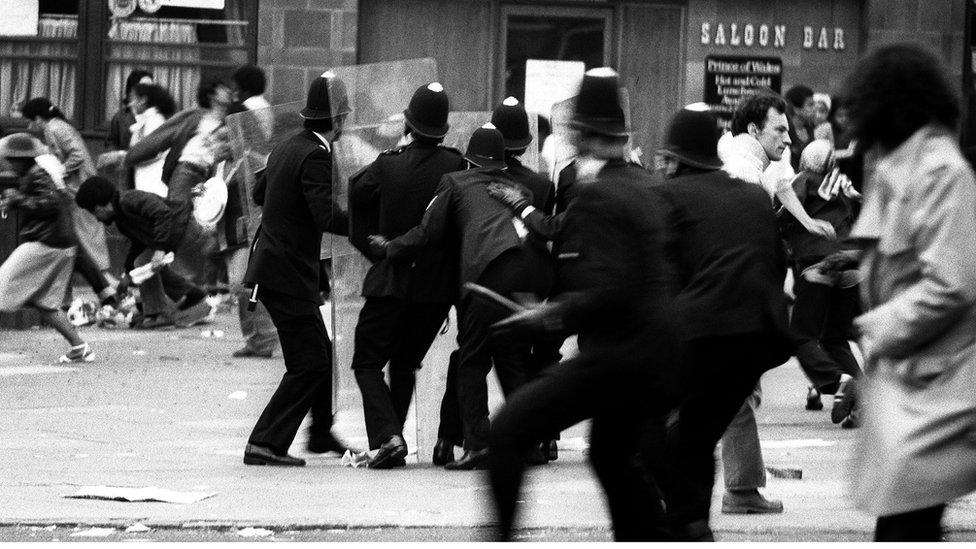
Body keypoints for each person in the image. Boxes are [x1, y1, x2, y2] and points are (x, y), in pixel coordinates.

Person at [486, 68, 678, 541]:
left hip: (621, 355)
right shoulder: (651, 186)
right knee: (611, 456)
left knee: (509, 429)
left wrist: (550, 315)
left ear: (582, 135)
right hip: (663, 355)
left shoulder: (599, 196)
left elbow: (612, 291)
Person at [843, 42, 976, 542]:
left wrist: (877, 328)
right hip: (910, 384)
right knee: (902, 524)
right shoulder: (896, 167)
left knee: (904, 527)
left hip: (937, 389)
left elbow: (952, 283)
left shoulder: (940, 171)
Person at [372, 123, 554, 471]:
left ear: (468, 160)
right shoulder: (519, 189)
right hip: (534, 275)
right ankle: (528, 444)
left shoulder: (455, 183)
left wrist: (391, 247)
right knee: (511, 356)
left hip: (489, 273)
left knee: (472, 360)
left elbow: (428, 232)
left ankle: (478, 445)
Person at [651, 105, 793, 538]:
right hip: (754, 339)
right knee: (695, 438)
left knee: (659, 438)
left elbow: (658, 276)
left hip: (697, 334)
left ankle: (684, 519)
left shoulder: (668, 198)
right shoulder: (752, 192)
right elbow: (776, 261)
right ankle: (696, 520)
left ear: (675, 157)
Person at [715, 92, 825, 515]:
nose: (788, 139)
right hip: (735, 296)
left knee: (732, 391)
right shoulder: (741, 171)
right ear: (753, 130)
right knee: (734, 391)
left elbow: (782, 184)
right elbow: (743, 238)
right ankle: (740, 489)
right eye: (779, 130)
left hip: (741, 295)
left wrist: (806, 221)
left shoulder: (762, 161)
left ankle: (735, 484)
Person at [347, 82, 466, 469]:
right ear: (443, 128)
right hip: (435, 291)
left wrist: (373, 249)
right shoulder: (457, 165)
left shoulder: (388, 163)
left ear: (409, 123)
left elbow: (355, 193)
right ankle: (392, 442)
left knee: (366, 361)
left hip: (392, 280)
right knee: (404, 363)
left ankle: (388, 437)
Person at [241, 72, 352, 467]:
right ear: (338, 121)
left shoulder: (289, 146)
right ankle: (264, 443)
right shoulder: (317, 155)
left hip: (278, 268)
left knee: (320, 352)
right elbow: (325, 214)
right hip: (285, 272)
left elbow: (258, 193)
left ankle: (320, 433)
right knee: (310, 362)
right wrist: (368, 224)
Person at [488, 96, 560, 463]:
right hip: (536, 279)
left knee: (506, 355)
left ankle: (524, 433)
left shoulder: (479, 179)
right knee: (540, 354)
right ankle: (546, 435)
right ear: (529, 143)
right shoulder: (542, 185)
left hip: (496, 278)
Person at [782, 139, 863, 428]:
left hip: (819, 262)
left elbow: (784, 209)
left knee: (801, 336)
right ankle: (863, 395)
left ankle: (837, 383)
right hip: (850, 263)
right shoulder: (842, 181)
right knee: (835, 339)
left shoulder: (803, 180)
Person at [0, 133, 94, 363]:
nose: (7, 163)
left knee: (2, 284)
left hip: (46, 243)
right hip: (62, 245)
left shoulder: (38, 175)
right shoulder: (35, 174)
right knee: (46, 303)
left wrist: (17, 200)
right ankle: (80, 347)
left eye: (10, 159)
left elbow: (48, 205)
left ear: (20, 159)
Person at [74, 176, 211, 329]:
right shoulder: (121, 219)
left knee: (144, 263)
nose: (98, 219)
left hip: (181, 226)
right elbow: (138, 245)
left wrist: (159, 249)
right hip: (170, 234)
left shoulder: (129, 200)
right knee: (148, 266)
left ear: (100, 207)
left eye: (94, 214)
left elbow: (163, 213)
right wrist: (127, 275)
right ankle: (192, 295)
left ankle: (158, 314)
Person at [21, 97, 111, 274]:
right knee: (87, 232)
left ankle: (105, 276)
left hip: (82, 188)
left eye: (30, 121)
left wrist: (60, 170)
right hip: (80, 188)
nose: (29, 127)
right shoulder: (58, 126)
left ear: (39, 118)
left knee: (89, 232)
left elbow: (78, 155)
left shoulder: (54, 128)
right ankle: (102, 276)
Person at [224, 64, 278, 360]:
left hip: (249, 208)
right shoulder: (264, 111)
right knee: (248, 275)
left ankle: (262, 339)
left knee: (244, 277)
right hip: (254, 205)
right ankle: (262, 337)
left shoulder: (243, 116)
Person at [128, 83, 178, 196]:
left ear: (143, 100)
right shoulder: (147, 120)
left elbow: (151, 151)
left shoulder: (154, 121)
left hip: (153, 182)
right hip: (148, 179)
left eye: (133, 99)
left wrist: (125, 157)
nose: (131, 103)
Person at [105, 69, 153, 151]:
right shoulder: (120, 117)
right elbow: (111, 145)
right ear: (132, 90)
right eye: (144, 87)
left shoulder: (156, 115)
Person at [784, 84, 816, 171]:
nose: (815, 109)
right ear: (796, 109)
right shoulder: (785, 131)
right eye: (810, 105)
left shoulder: (810, 128)